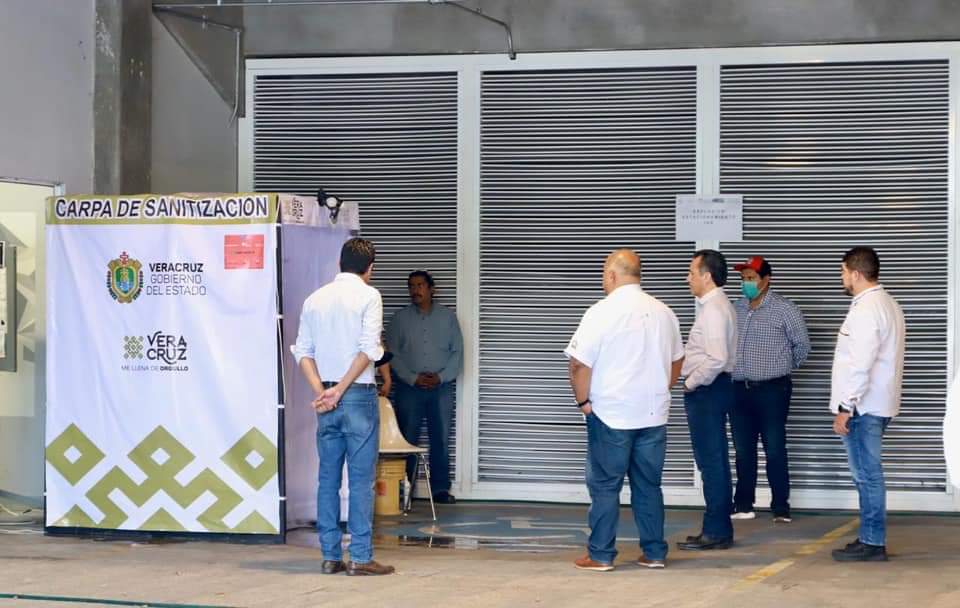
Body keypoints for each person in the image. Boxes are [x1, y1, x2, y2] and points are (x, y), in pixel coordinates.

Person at [565, 250, 684, 572]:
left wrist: (583, 403)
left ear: (612, 275)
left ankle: (601, 554)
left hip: (611, 413)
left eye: (603, 273)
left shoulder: (601, 312)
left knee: (605, 486)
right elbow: (677, 360)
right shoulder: (664, 312)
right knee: (649, 485)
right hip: (653, 414)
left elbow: (578, 364)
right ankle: (654, 553)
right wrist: (659, 389)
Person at [292, 237, 394, 576]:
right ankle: (360, 558)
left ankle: (330, 556)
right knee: (361, 481)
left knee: (328, 479)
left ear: (339, 263)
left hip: (327, 398)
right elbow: (369, 349)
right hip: (358, 395)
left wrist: (323, 391)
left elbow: (303, 351)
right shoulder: (370, 296)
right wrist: (342, 389)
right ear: (370, 269)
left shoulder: (315, 299)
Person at [830, 246, 905, 562]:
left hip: (863, 407)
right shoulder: (888, 303)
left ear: (857, 274)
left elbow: (861, 364)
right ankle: (869, 537)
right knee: (868, 473)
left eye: (844, 272)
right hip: (877, 404)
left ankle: (872, 542)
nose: (842, 277)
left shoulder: (867, 309)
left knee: (867, 475)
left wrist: (845, 407)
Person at [730, 256, 810, 523]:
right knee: (743, 450)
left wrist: (782, 367)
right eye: (743, 278)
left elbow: (802, 346)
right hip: (739, 389)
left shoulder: (785, 309)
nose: (746, 283)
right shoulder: (736, 308)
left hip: (772, 390)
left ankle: (780, 506)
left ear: (766, 280)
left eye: (751, 278)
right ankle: (743, 504)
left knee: (774, 448)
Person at [386, 270, 464, 504]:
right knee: (406, 439)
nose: (415, 290)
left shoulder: (447, 318)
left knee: (440, 439)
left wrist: (441, 377)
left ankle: (440, 489)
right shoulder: (399, 319)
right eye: (411, 286)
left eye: (420, 285)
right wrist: (412, 378)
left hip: (441, 388)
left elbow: (457, 352)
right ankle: (404, 492)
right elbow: (392, 354)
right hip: (409, 389)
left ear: (432, 289)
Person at [678, 249, 737, 551]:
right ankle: (718, 527)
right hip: (714, 389)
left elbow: (717, 358)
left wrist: (690, 382)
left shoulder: (714, 309)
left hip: (708, 390)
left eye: (691, 273)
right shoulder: (716, 306)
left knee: (711, 461)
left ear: (707, 276)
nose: (687, 278)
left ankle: (716, 530)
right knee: (714, 460)